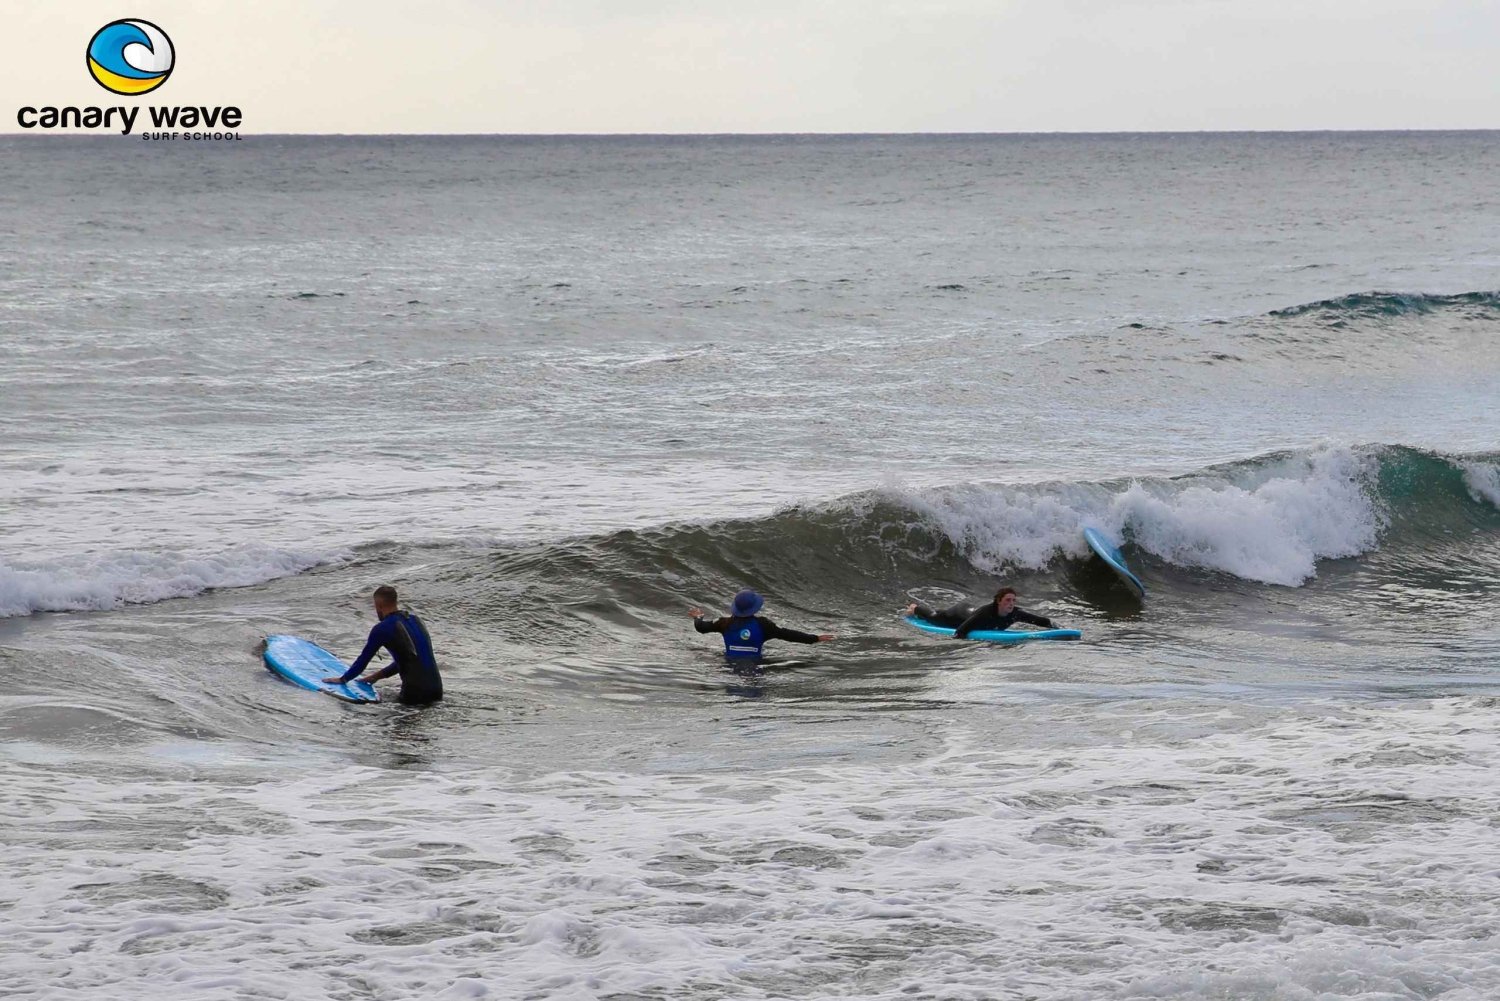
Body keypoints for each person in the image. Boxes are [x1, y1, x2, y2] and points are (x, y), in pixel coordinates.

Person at [322, 585, 444, 704]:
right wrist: (375, 677)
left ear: (378, 605)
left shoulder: (382, 628)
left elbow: (363, 660)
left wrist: (343, 679)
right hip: (437, 691)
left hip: (414, 694)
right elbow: (409, 658)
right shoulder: (416, 620)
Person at [690, 589, 834, 660]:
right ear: (755, 608)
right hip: (755, 666)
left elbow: (701, 628)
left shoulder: (723, 623)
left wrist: (699, 616)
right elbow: (788, 635)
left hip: (729, 665)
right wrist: (815, 638)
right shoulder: (763, 625)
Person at [906, 586, 1057, 639]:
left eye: (1013, 600)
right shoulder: (985, 614)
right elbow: (960, 632)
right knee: (935, 617)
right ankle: (915, 608)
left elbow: (1040, 621)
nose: (1011, 604)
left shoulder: (1015, 614)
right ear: (998, 601)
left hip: (971, 611)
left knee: (939, 614)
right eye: (1007, 600)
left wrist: (1057, 629)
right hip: (959, 615)